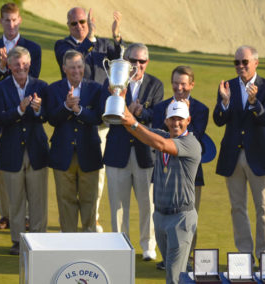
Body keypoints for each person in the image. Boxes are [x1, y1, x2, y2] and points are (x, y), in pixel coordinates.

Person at [122, 99, 201, 284]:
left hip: (181, 217)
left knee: (174, 276)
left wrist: (133, 123)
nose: (176, 123)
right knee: (171, 271)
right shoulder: (162, 136)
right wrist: (121, 98)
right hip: (160, 217)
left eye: (180, 119)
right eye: (172, 119)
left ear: (188, 120)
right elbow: (133, 128)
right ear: (166, 120)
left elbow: (161, 145)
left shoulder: (191, 143)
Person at [213, 45, 265, 263]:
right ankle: (244, 256)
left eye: (244, 62)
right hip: (232, 156)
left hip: (258, 156)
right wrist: (224, 102)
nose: (240, 66)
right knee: (237, 207)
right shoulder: (227, 86)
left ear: (256, 62)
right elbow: (218, 119)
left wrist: (254, 103)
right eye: (236, 62)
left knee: (264, 207)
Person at [100, 42, 163, 261]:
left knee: (148, 203)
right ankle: (120, 245)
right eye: (133, 60)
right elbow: (106, 112)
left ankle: (148, 245)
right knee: (118, 204)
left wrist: (141, 112)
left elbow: (157, 115)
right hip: (117, 151)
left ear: (147, 62)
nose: (137, 65)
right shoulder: (112, 81)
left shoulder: (156, 84)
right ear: (126, 61)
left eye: (142, 61)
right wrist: (126, 109)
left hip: (145, 153)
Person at [0, 2, 42, 230]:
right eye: (7, 19)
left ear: (20, 20)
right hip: (2, 119)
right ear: (1, 21)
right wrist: (1, 66)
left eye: (15, 19)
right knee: (4, 170)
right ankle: (6, 214)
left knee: (29, 169)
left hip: (29, 120)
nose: (11, 24)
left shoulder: (33, 48)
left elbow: (33, 79)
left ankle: (27, 216)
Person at [152, 65, 208, 270]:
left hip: (188, 175)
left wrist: (186, 113)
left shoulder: (201, 109)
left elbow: (194, 138)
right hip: (163, 173)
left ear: (191, 84)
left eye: (183, 83)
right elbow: (160, 135)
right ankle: (168, 257)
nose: (179, 87)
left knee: (187, 215)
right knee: (163, 213)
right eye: (176, 83)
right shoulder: (161, 108)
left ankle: (188, 258)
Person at [0, 46, 49, 255]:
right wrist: (20, 109)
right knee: (15, 200)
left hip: (37, 149)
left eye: (24, 64)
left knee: (38, 199)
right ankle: (17, 240)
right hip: (10, 150)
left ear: (30, 64)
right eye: (16, 64)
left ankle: (38, 239)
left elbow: (47, 117)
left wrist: (37, 110)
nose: (21, 68)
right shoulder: (0, 88)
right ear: (9, 66)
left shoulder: (41, 86)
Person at [47, 50, 102, 232]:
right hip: (62, 155)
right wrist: (66, 106)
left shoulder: (95, 88)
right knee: (65, 201)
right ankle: (68, 240)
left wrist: (78, 110)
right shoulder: (54, 89)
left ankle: (89, 241)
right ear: (64, 68)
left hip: (89, 153)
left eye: (79, 67)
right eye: (72, 68)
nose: (76, 71)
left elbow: (98, 118)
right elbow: (52, 118)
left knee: (90, 201)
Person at [54, 7, 123, 83]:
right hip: (77, 93)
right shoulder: (62, 45)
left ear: (91, 21)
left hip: (102, 92)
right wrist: (90, 37)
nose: (79, 26)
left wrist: (116, 35)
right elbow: (73, 60)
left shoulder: (104, 43)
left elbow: (120, 59)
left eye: (82, 21)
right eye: (74, 23)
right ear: (68, 25)